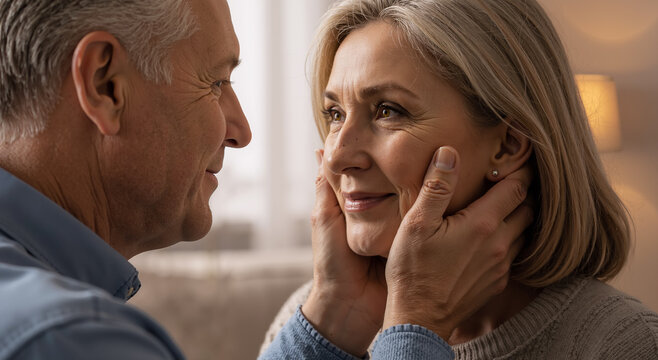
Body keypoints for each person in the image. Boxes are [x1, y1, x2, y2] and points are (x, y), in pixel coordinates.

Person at [0, 0, 532, 359]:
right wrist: (415, 326)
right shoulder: (73, 339)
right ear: (105, 84)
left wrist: (331, 325)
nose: (241, 130)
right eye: (216, 82)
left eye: (389, 109)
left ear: (507, 144)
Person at [261, 0, 658, 358]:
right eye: (335, 114)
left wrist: (414, 323)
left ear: (506, 146)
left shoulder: (624, 345)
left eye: (388, 110)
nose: (337, 155)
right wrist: (341, 323)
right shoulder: (314, 322)